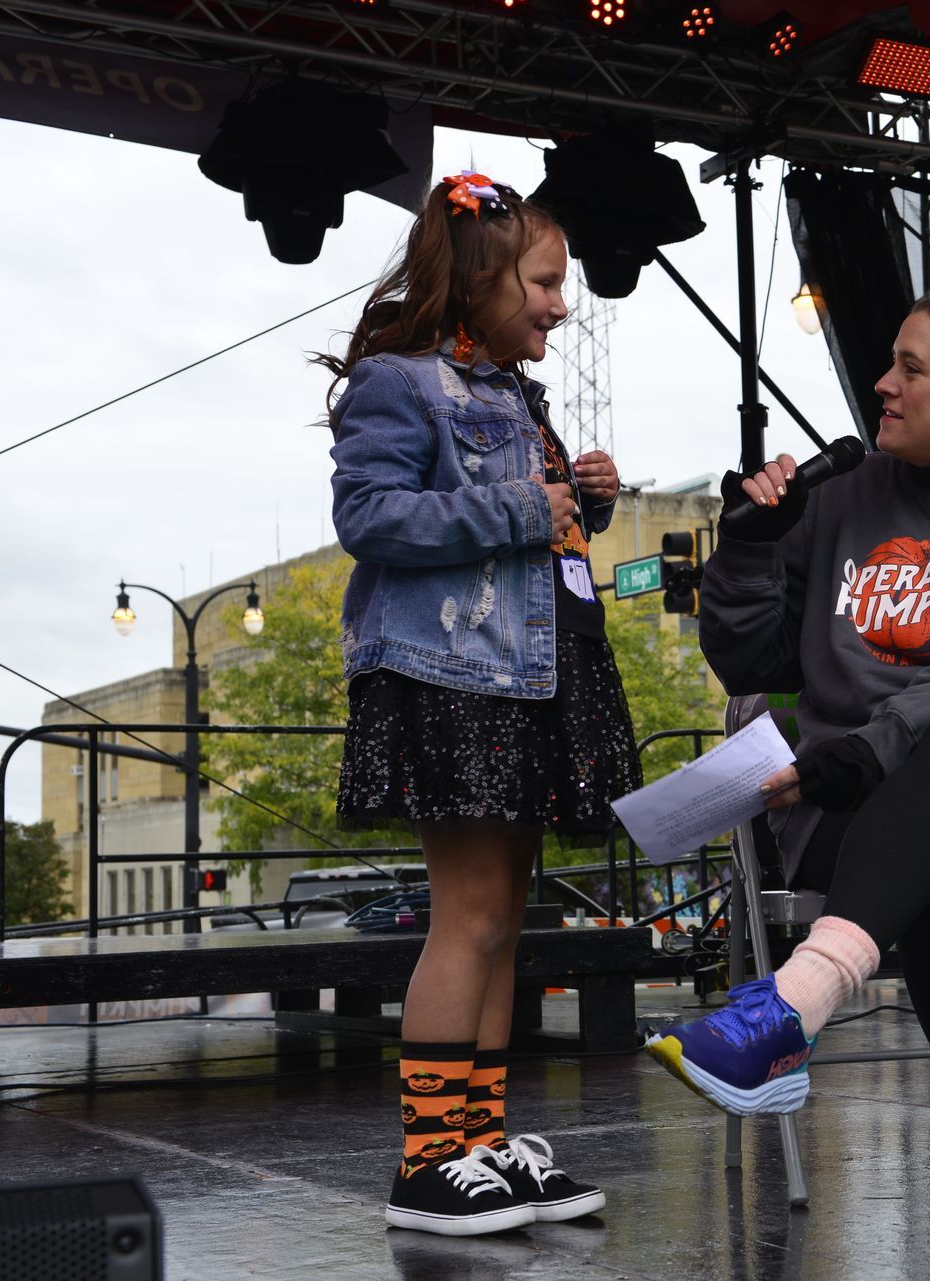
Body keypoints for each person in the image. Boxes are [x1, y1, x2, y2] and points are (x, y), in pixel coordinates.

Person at [645, 283, 930, 1220]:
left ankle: (790, 1006)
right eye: (889, 362)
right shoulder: (835, 503)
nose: (882, 384)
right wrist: (743, 552)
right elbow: (749, 657)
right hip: (857, 805)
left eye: (911, 367)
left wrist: (860, 752)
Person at [322, 172, 639, 1235]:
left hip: (527, 675)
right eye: (545, 283)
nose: (560, 303)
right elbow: (369, 516)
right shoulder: (398, 384)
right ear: (479, 279)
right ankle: (426, 1160)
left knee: (505, 922)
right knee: (466, 918)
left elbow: (520, 540)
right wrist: (519, 504)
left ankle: (479, 1141)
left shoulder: (513, 393)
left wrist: (576, 499)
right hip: (454, 678)